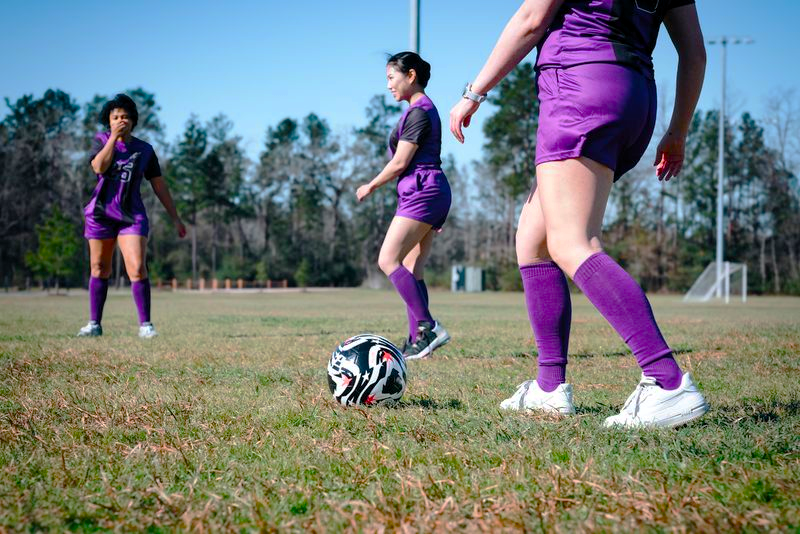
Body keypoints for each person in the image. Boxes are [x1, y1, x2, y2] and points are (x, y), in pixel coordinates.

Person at [449, 0, 709, 427]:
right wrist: (677, 130)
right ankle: (549, 388)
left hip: (579, 85)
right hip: (636, 96)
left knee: (572, 242)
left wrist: (473, 93)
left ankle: (667, 383)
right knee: (534, 240)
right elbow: (694, 53)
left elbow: (532, 20)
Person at [356, 52, 452, 360]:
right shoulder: (420, 110)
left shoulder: (419, 112)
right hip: (429, 190)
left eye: (391, 78)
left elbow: (400, 162)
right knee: (412, 267)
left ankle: (428, 327)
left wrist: (371, 185)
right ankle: (416, 340)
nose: (388, 86)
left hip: (422, 191)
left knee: (388, 260)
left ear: (410, 75)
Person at [77, 94, 186, 338]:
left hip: (131, 215)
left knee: (136, 267)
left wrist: (175, 217)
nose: (120, 120)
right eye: (115, 117)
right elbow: (98, 167)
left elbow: (159, 186)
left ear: (133, 120)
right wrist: (113, 139)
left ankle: (145, 325)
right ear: (108, 121)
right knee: (99, 267)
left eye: (125, 117)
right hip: (101, 214)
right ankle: (94, 324)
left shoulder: (145, 150)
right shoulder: (101, 140)